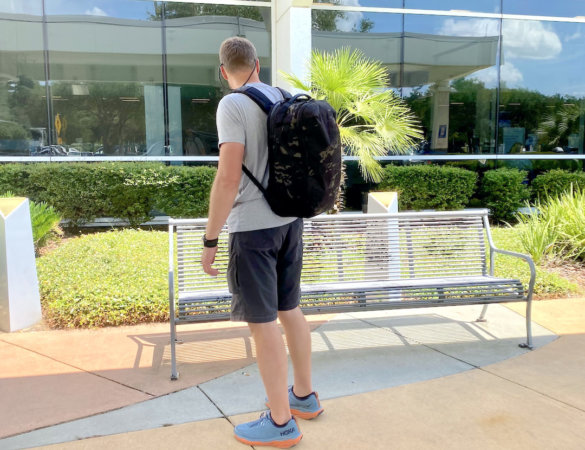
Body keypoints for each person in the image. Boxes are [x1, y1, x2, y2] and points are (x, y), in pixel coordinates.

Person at [200, 36, 323, 448]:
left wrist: (210, 238)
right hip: (291, 221)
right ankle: (304, 397)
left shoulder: (232, 105)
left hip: (254, 229)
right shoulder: (285, 98)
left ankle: (280, 422)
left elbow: (228, 177)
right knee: (289, 309)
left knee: (262, 322)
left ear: (224, 71)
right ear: (257, 63)